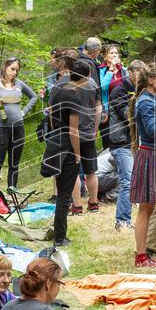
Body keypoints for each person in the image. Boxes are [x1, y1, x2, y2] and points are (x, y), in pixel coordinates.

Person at [46, 57, 95, 247]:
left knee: (61, 190)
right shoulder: (73, 96)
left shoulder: (59, 89)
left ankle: (60, 234)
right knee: (64, 196)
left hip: (55, 143)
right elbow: (73, 130)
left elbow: (51, 115)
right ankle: (60, 237)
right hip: (67, 147)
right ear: (85, 77)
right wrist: (76, 154)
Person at [131, 64, 156, 268]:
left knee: (149, 207)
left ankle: (143, 253)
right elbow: (153, 130)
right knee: (145, 208)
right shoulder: (146, 102)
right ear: (150, 81)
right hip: (149, 155)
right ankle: (141, 256)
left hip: (155, 154)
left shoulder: (152, 99)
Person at [55, 55, 102, 215]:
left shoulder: (64, 85)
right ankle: (93, 203)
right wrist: (95, 129)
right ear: (88, 74)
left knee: (73, 170)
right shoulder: (93, 84)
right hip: (88, 132)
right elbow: (98, 109)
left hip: (70, 133)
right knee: (91, 171)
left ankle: (76, 205)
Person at [0, 57, 38, 190]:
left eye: (17, 70)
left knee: (14, 163)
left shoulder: (19, 84)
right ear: (5, 67)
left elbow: (34, 96)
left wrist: (24, 111)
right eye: (12, 69)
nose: (14, 73)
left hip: (17, 128)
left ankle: (12, 191)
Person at [105, 60, 141, 232]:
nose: (143, 77)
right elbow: (128, 116)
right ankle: (122, 221)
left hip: (135, 142)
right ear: (131, 72)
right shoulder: (119, 91)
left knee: (133, 180)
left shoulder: (138, 90)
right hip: (122, 142)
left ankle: (132, 217)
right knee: (128, 181)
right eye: (140, 73)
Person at [98, 45, 128, 147]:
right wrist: (111, 69)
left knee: (123, 137)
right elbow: (104, 87)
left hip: (122, 107)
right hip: (107, 110)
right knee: (108, 139)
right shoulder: (101, 70)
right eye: (111, 53)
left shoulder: (124, 70)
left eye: (116, 53)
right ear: (105, 57)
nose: (114, 55)